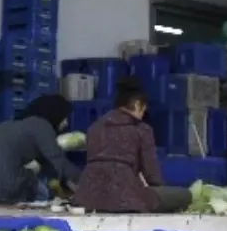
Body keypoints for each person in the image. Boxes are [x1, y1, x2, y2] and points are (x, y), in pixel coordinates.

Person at [74, 77, 192, 213]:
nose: (143, 115)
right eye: (143, 110)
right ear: (137, 105)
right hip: (124, 198)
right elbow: (151, 173)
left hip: (86, 197)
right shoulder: (141, 129)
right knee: (184, 196)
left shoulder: (94, 127)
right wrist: (160, 190)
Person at [0, 94, 80, 205]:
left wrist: (62, 182)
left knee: (39, 177)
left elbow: (49, 165)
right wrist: (84, 184)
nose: (66, 123)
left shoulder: (14, 126)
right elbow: (59, 161)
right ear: (56, 114)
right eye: (64, 118)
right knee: (40, 188)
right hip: (0, 189)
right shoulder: (41, 126)